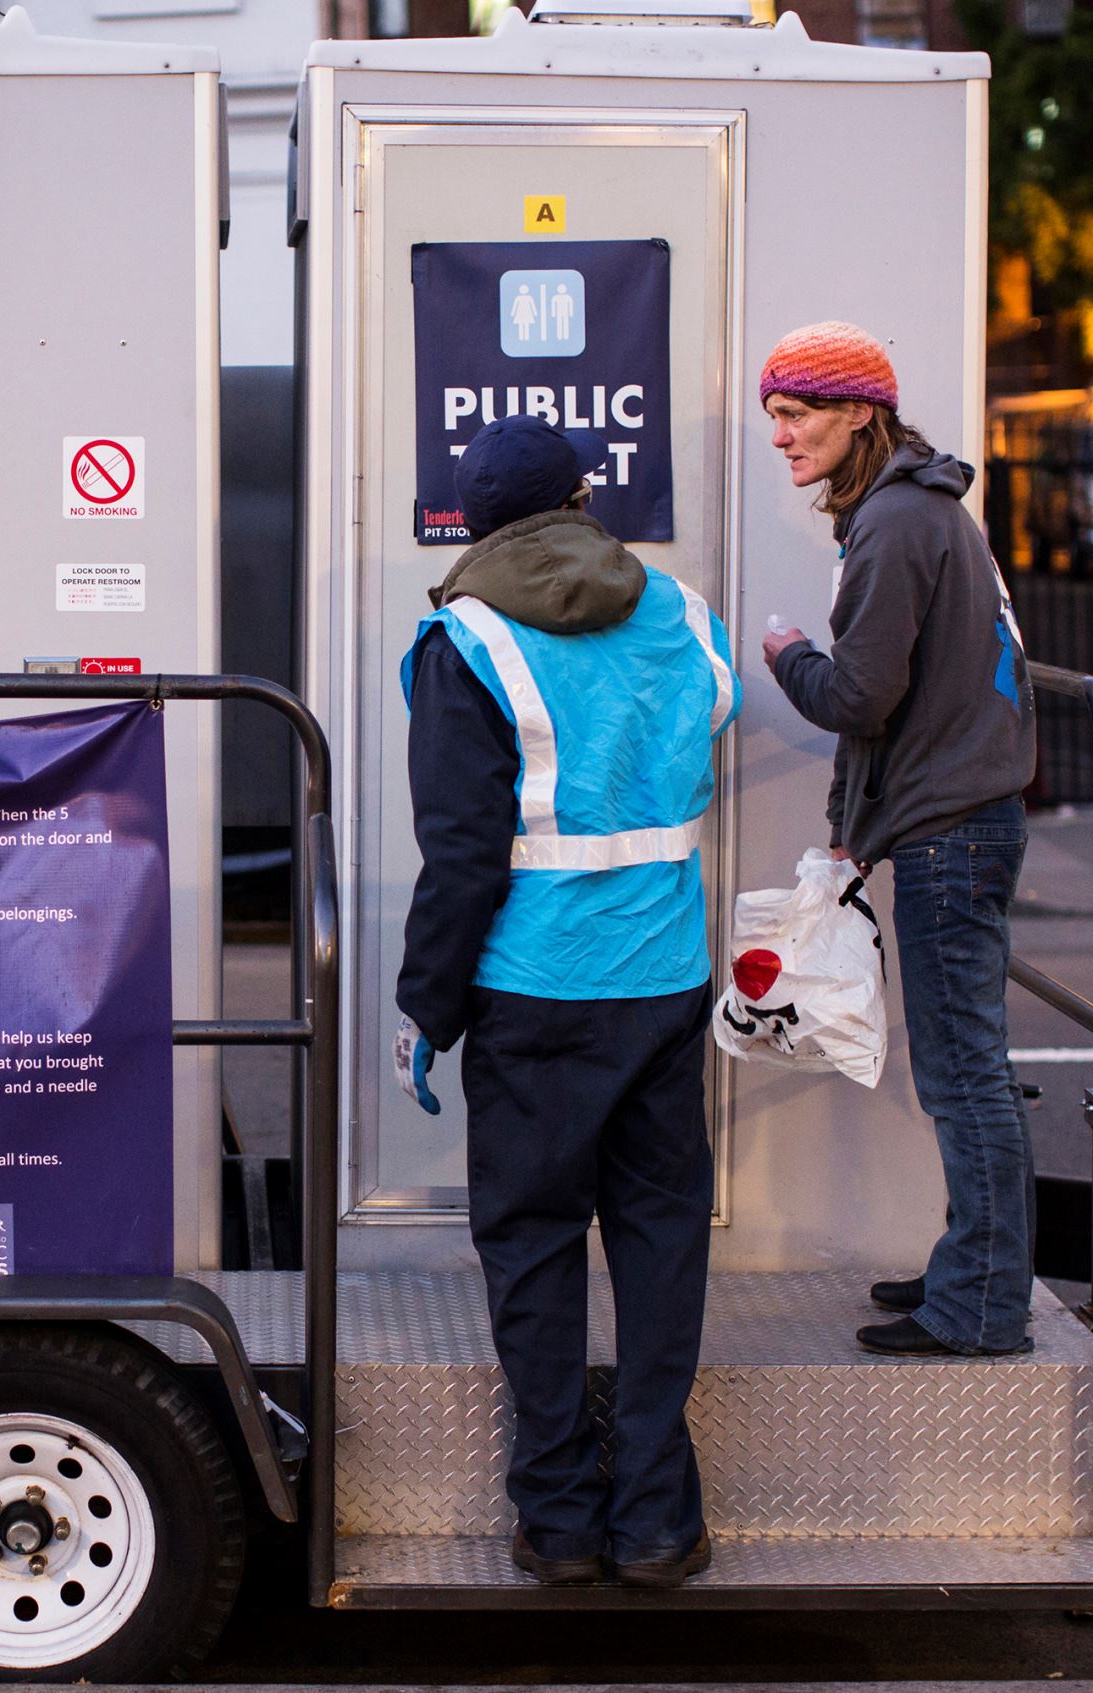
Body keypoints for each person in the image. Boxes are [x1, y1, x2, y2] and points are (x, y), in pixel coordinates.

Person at [393, 413, 739, 1586]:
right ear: (586, 497)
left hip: (532, 991)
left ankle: (556, 1518)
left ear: (475, 518)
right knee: (657, 1239)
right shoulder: (680, 611)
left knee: (534, 1245)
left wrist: (423, 1009)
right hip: (662, 981)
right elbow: (715, 713)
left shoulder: (464, 638)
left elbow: (460, 854)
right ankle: (654, 1519)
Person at [752, 320, 1040, 1358]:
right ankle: (977, 1264)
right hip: (954, 823)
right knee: (965, 1068)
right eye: (772, 415)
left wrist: (784, 654)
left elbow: (862, 696)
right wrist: (850, 832)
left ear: (857, 414)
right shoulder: (922, 511)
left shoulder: (892, 525)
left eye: (795, 413)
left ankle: (978, 1305)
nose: (779, 435)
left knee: (964, 1074)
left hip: (948, 835)